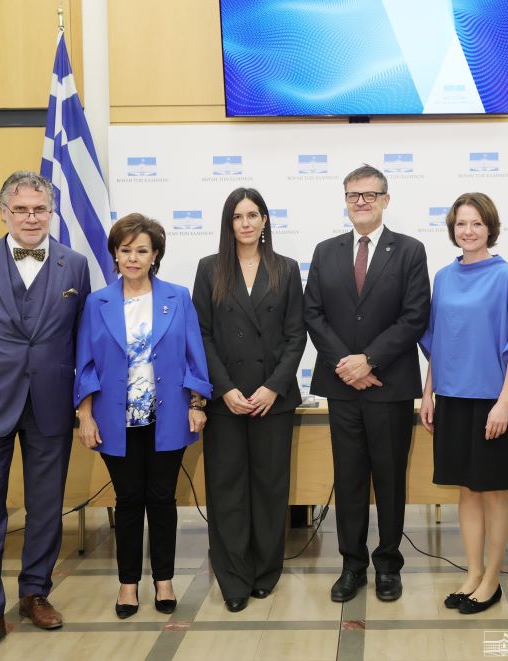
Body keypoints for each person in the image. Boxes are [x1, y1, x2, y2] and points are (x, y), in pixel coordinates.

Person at [0, 171, 91, 661]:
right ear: (4, 212)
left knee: (46, 507)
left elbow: (80, 334)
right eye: (22, 209)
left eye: (40, 208)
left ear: (51, 212)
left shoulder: (75, 265)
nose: (31, 217)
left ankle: (35, 593)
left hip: (51, 400)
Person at [74, 213, 211, 620]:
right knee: (129, 499)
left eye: (141, 250)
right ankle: (128, 584)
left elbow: (194, 356)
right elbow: (85, 364)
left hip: (168, 416)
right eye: (125, 250)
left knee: (163, 499)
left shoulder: (177, 297)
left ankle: (164, 580)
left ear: (155, 256)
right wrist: (85, 415)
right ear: (115, 255)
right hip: (115, 420)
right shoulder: (97, 303)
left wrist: (197, 404)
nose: (133, 258)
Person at [303, 164, 430, 603]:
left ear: (385, 200)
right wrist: (347, 365)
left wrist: (369, 360)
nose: (361, 201)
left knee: (390, 479)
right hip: (342, 387)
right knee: (349, 479)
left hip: (389, 387)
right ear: (345, 200)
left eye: (370, 194)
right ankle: (352, 565)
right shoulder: (325, 251)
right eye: (353, 194)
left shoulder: (409, 250)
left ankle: (388, 565)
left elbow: (415, 316)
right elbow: (313, 313)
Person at [419, 192, 508, 615]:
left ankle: (492, 580)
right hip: (452, 400)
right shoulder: (444, 277)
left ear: (490, 228)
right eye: (461, 224)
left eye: (476, 223)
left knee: (494, 494)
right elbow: (437, 342)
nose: (468, 231)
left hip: (494, 402)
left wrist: (505, 403)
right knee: (466, 491)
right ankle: (472, 573)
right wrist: (428, 392)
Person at [192, 188, 306, 613]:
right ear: (229, 223)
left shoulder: (286, 268)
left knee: (269, 488)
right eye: (238, 216)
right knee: (227, 490)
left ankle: (265, 572)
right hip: (226, 400)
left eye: (253, 215)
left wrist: (273, 386)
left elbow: (296, 335)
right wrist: (224, 389)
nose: (245, 223)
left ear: (264, 221)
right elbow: (201, 334)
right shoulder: (210, 269)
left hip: (272, 399)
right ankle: (233, 578)